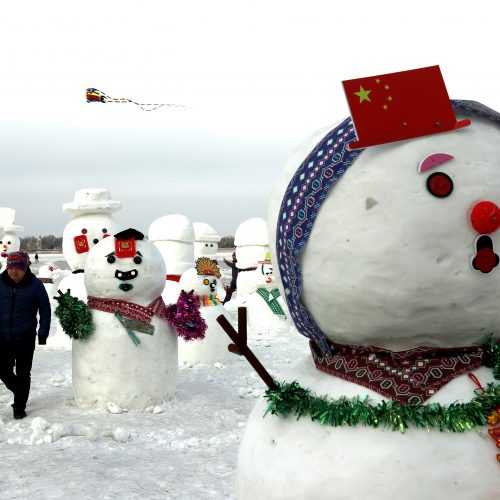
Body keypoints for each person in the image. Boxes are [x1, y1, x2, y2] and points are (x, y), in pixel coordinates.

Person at [0, 251, 51, 419]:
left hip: (25, 337)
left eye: (18, 268)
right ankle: (20, 390)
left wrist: (43, 333)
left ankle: (19, 406)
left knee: (23, 373)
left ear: (25, 267)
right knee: (3, 371)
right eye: (11, 267)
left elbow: (45, 308)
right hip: (2, 337)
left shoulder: (35, 285)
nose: (14, 272)